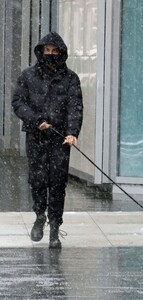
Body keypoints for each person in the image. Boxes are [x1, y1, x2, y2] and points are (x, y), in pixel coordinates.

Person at [12, 32, 83, 249]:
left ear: (61, 53)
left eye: (54, 51)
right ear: (41, 51)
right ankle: (39, 215)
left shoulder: (70, 78)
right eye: (47, 50)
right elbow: (18, 103)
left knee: (58, 183)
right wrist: (36, 121)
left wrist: (72, 132)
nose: (50, 54)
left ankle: (54, 228)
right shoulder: (28, 76)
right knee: (38, 180)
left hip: (60, 140)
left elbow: (75, 107)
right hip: (36, 138)